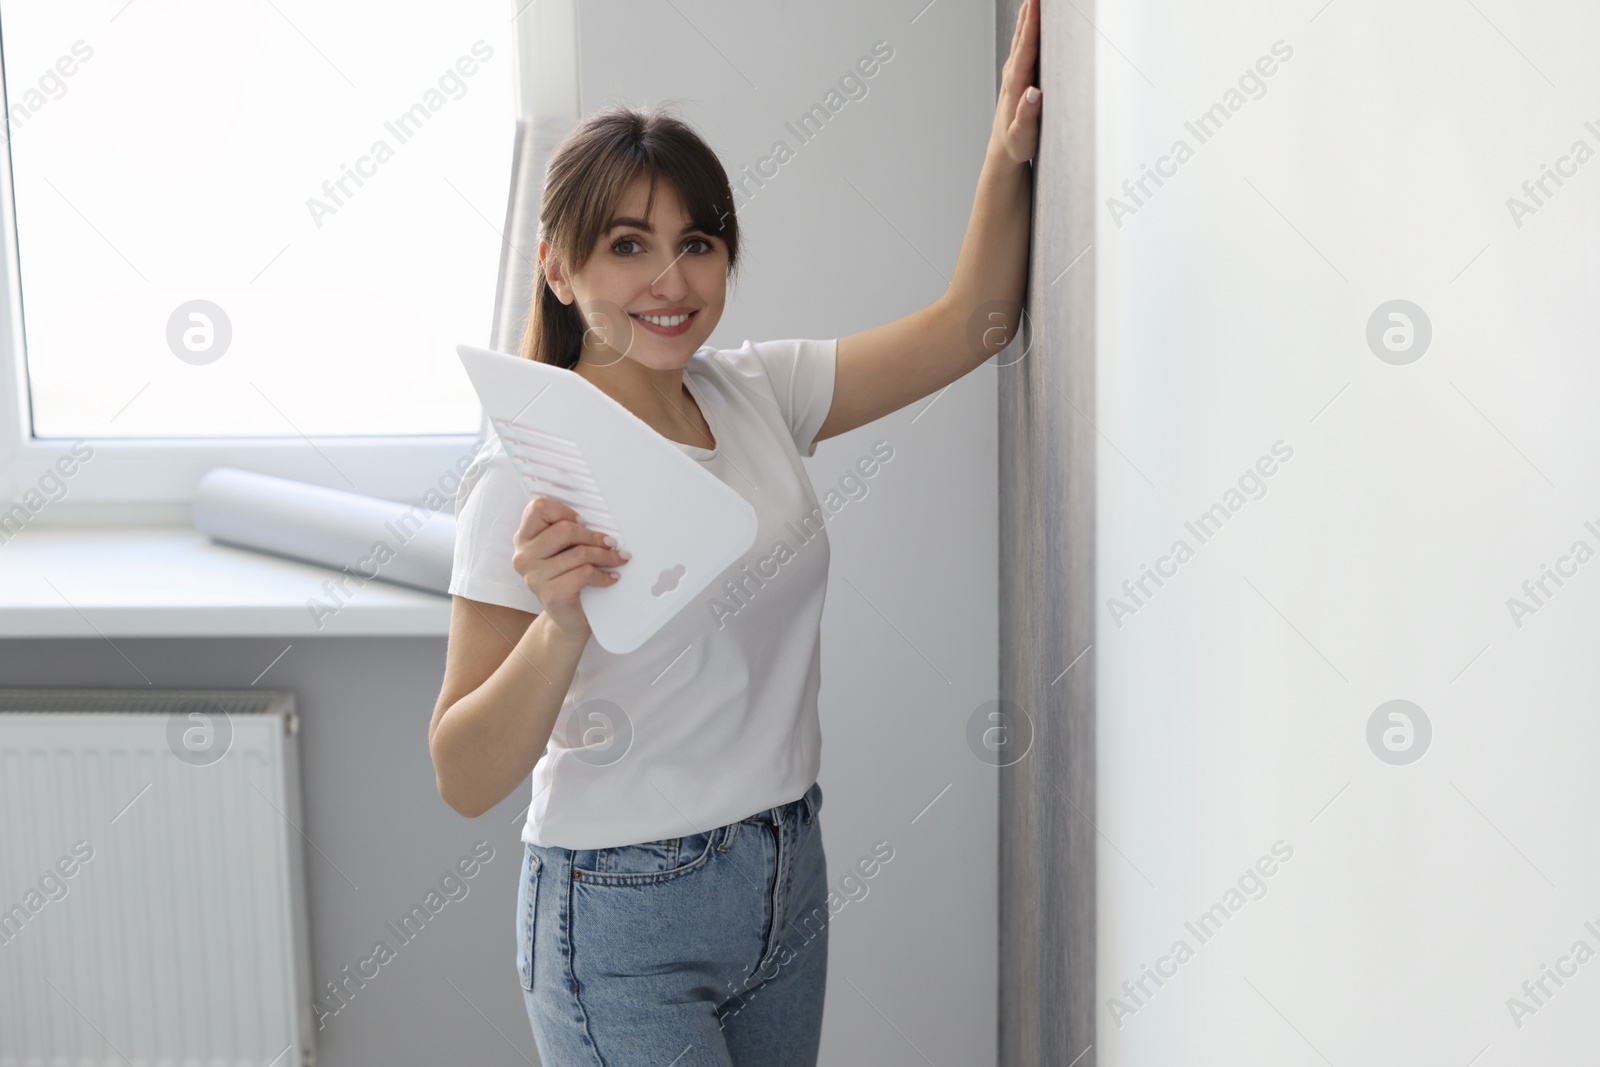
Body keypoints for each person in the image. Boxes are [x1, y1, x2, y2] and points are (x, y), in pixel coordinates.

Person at [428, 3, 1039, 1062]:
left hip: (783, 868)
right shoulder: (521, 471)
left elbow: (971, 325)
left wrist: (1006, 149)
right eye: (628, 246)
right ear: (558, 268)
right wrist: (560, 624)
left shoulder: (758, 389)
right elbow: (463, 772)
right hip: (618, 910)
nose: (671, 282)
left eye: (696, 243)